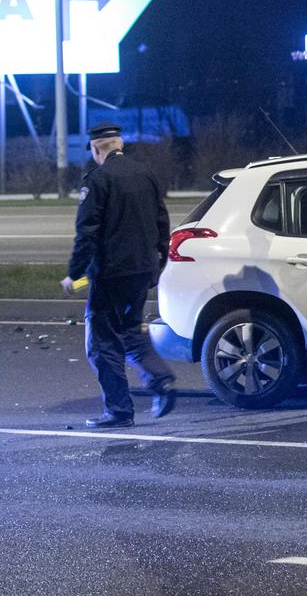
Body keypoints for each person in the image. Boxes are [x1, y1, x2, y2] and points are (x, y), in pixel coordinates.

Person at [61, 123, 177, 427]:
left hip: (111, 274)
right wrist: (158, 263)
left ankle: (118, 411)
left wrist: (74, 273)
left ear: (97, 148)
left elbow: (86, 233)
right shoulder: (146, 174)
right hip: (142, 270)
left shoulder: (98, 180)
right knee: (129, 331)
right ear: (119, 144)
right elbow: (161, 222)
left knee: (101, 343)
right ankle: (161, 379)